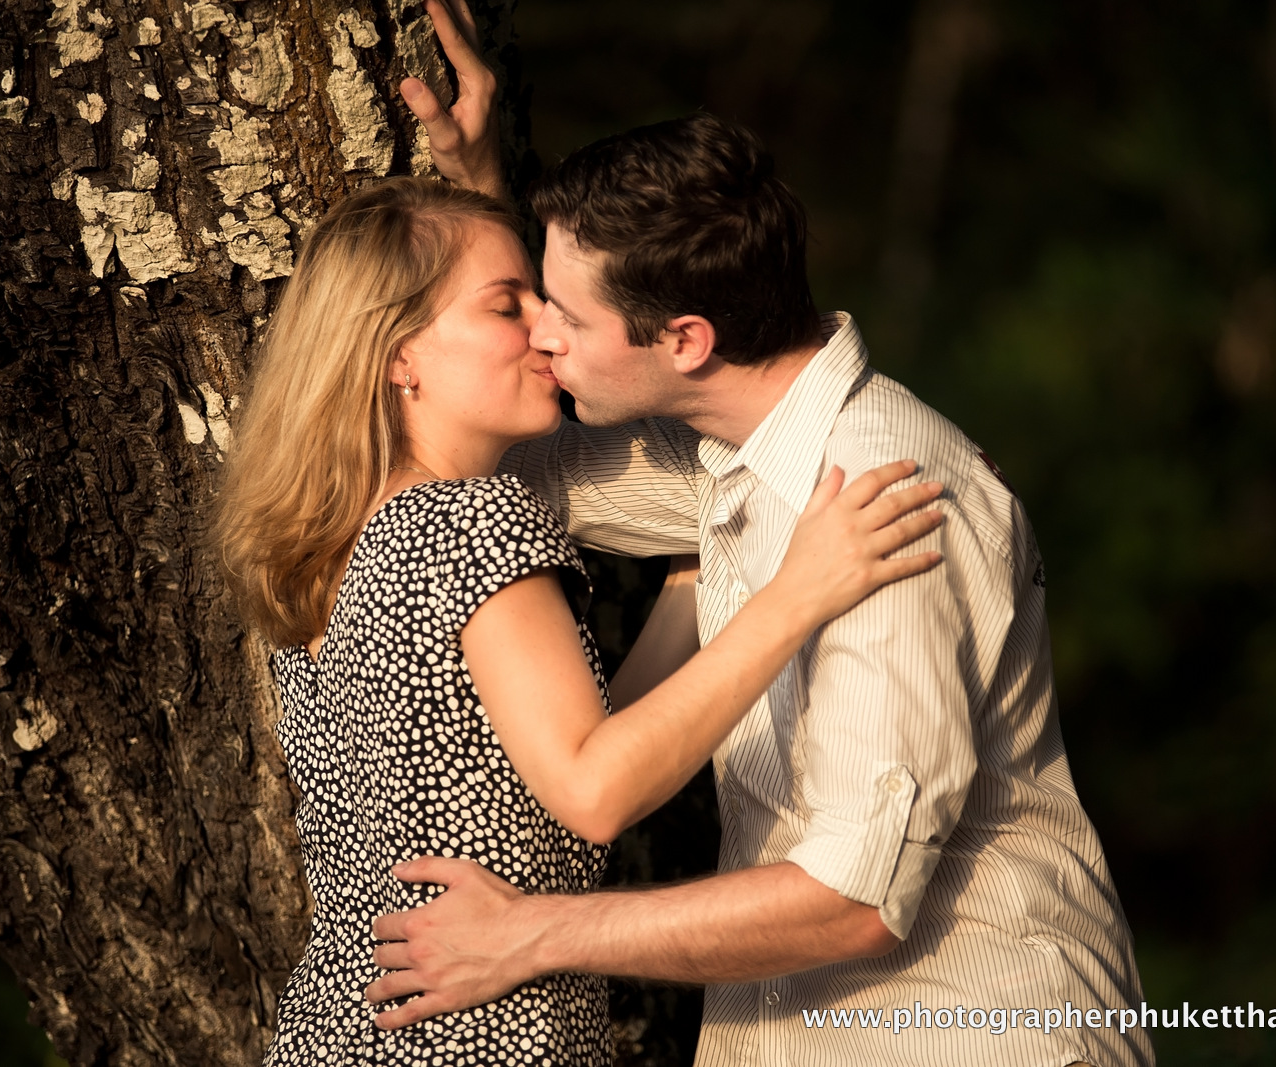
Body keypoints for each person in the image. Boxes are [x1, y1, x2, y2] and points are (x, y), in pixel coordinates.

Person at [368, 3, 1154, 1065]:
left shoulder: (882, 508)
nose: (537, 342)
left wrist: (528, 934)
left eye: (557, 315)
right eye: (525, 307)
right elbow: (484, 450)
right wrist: (476, 201)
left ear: (685, 338)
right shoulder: (727, 457)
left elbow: (854, 901)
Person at [212, 170, 945, 1064]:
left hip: (344, 1029)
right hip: (476, 1039)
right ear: (398, 353)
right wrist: (798, 593)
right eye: (505, 307)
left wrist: (694, 584)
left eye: (543, 300)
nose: (544, 332)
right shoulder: (465, 522)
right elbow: (594, 790)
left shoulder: (331, 549)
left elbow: (556, 756)